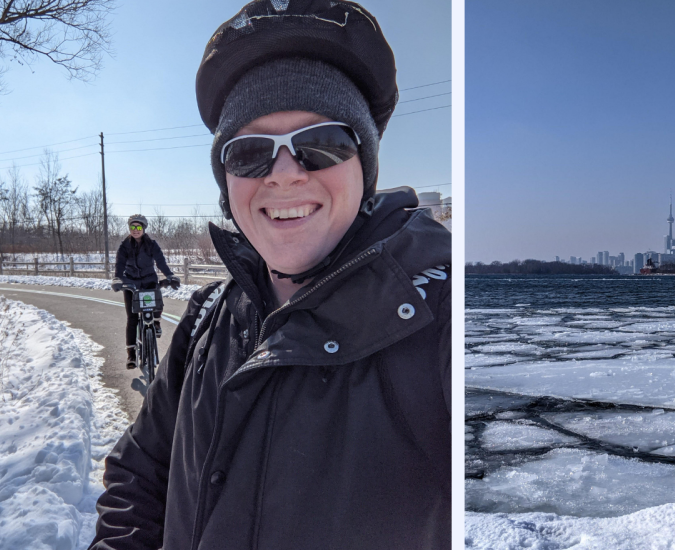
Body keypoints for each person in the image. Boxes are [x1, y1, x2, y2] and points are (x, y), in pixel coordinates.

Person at [90, 1, 451, 549]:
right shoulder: (205, 322)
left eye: (321, 144)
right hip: (134, 292)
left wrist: (161, 274)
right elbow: (139, 478)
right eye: (252, 153)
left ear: (365, 167)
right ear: (226, 180)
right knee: (132, 319)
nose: (284, 174)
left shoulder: (443, 317)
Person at [114, 214, 178, 368]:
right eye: (132, 227)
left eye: (138, 227)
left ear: (143, 228)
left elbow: (160, 261)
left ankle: (155, 323)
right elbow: (120, 264)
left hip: (148, 281)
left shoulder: (151, 245)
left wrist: (170, 275)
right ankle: (131, 355)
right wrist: (117, 279)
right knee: (132, 318)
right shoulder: (124, 246)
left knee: (156, 303)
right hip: (131, 284)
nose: (135, 230)